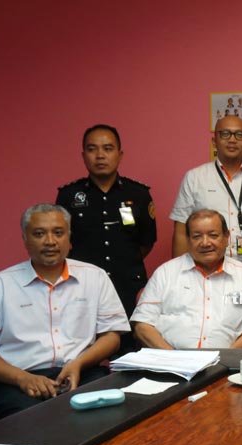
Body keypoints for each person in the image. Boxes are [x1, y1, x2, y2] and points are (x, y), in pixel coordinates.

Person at [0, 204, 129, 419]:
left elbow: (112, 336)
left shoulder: (95, 277)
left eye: (58, 233)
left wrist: (78, 364)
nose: (50, 241)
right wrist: (23, 379)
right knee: (30, 425)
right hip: (19, 381)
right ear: (25, 239)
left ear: (68, 237)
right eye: (39, 234)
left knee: (111, 417)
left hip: (84, 372)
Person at [55, 124, 156, 349]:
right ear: (83, 155)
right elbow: (62, 241)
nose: (100, 155)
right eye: (92, 149)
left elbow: (147, 241)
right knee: (84, 348)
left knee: (130, 351)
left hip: (128, 285)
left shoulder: (138, 194)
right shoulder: (69, 195)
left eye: (108, 148)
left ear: (120, 155)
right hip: (82, 287)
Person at [170, 116, 242, 297]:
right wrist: (179, 275)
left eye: (239, 135)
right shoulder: (194, 178)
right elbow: (180, 231)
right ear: (214, 141)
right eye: (225, 134)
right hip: (205, 275)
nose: (232, 139)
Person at [131, 210, 242, 350]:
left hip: (226, 365)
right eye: (197, 236)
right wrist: (173, 358)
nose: (205, 243)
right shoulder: (165, 273)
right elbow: (142, 324)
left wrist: (224, 359)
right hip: (170, 364)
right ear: (188, 239)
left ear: (226, 237)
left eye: (213, 235)